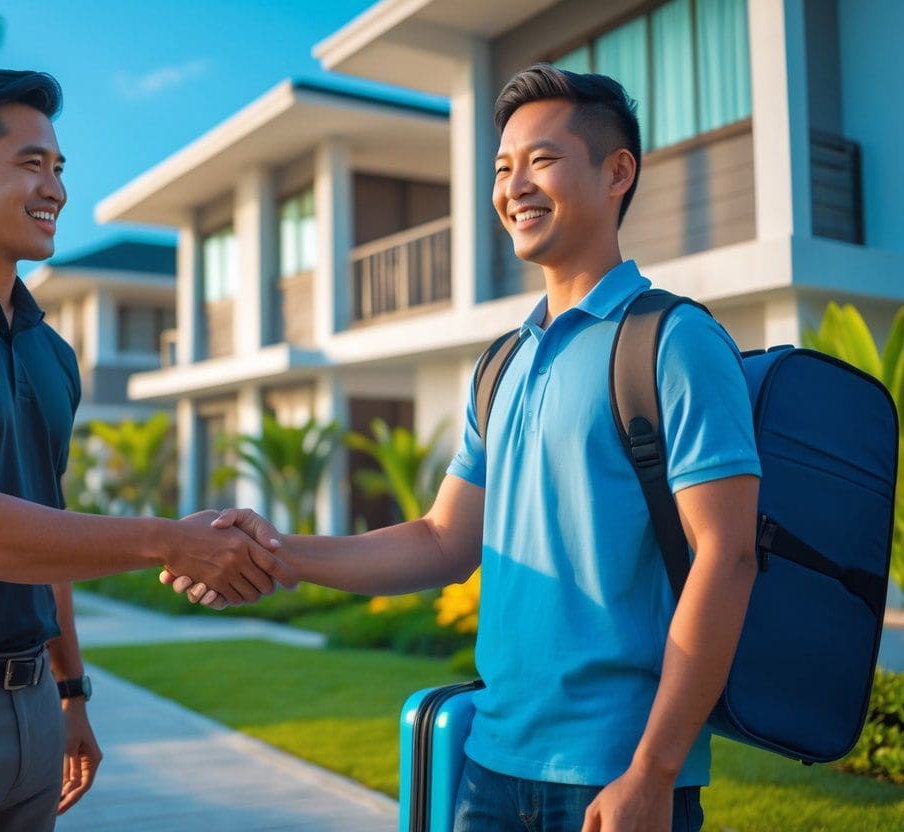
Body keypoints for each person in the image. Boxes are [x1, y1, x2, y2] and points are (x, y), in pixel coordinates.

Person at [165, 65, 761, 832]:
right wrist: (277, 553)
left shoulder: (673, 342)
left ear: (618, 172)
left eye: (541, 160)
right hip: (490, 763)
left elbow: (727, 556)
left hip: (615, 773)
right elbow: (443, 542)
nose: (513, 186)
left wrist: (652, 771)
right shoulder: (501, 363)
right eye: (502, 168)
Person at [0, 69, 293, 832]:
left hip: (33, 710)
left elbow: (49, 526)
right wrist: (166, 540)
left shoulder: (52, 353)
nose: (57, 189)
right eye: (31, 164)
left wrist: (69, 692)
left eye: (60, 167)